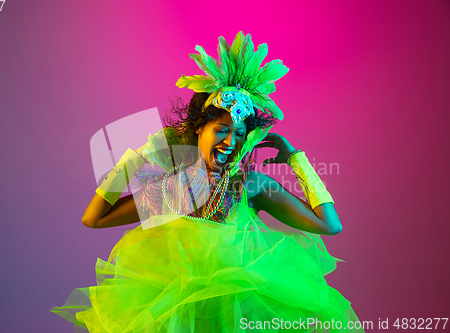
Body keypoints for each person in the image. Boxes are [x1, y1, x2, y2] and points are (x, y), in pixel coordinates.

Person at [51, 32, 365, 333]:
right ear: (199, 128)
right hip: (177, 313)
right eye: (221, 129)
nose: (231, 141)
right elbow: (94, 218)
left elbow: (329, 224)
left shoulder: (251, 186)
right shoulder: (174, 189)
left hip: (241, 311)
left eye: (240, 134)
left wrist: (297, 160)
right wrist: (134, 160)